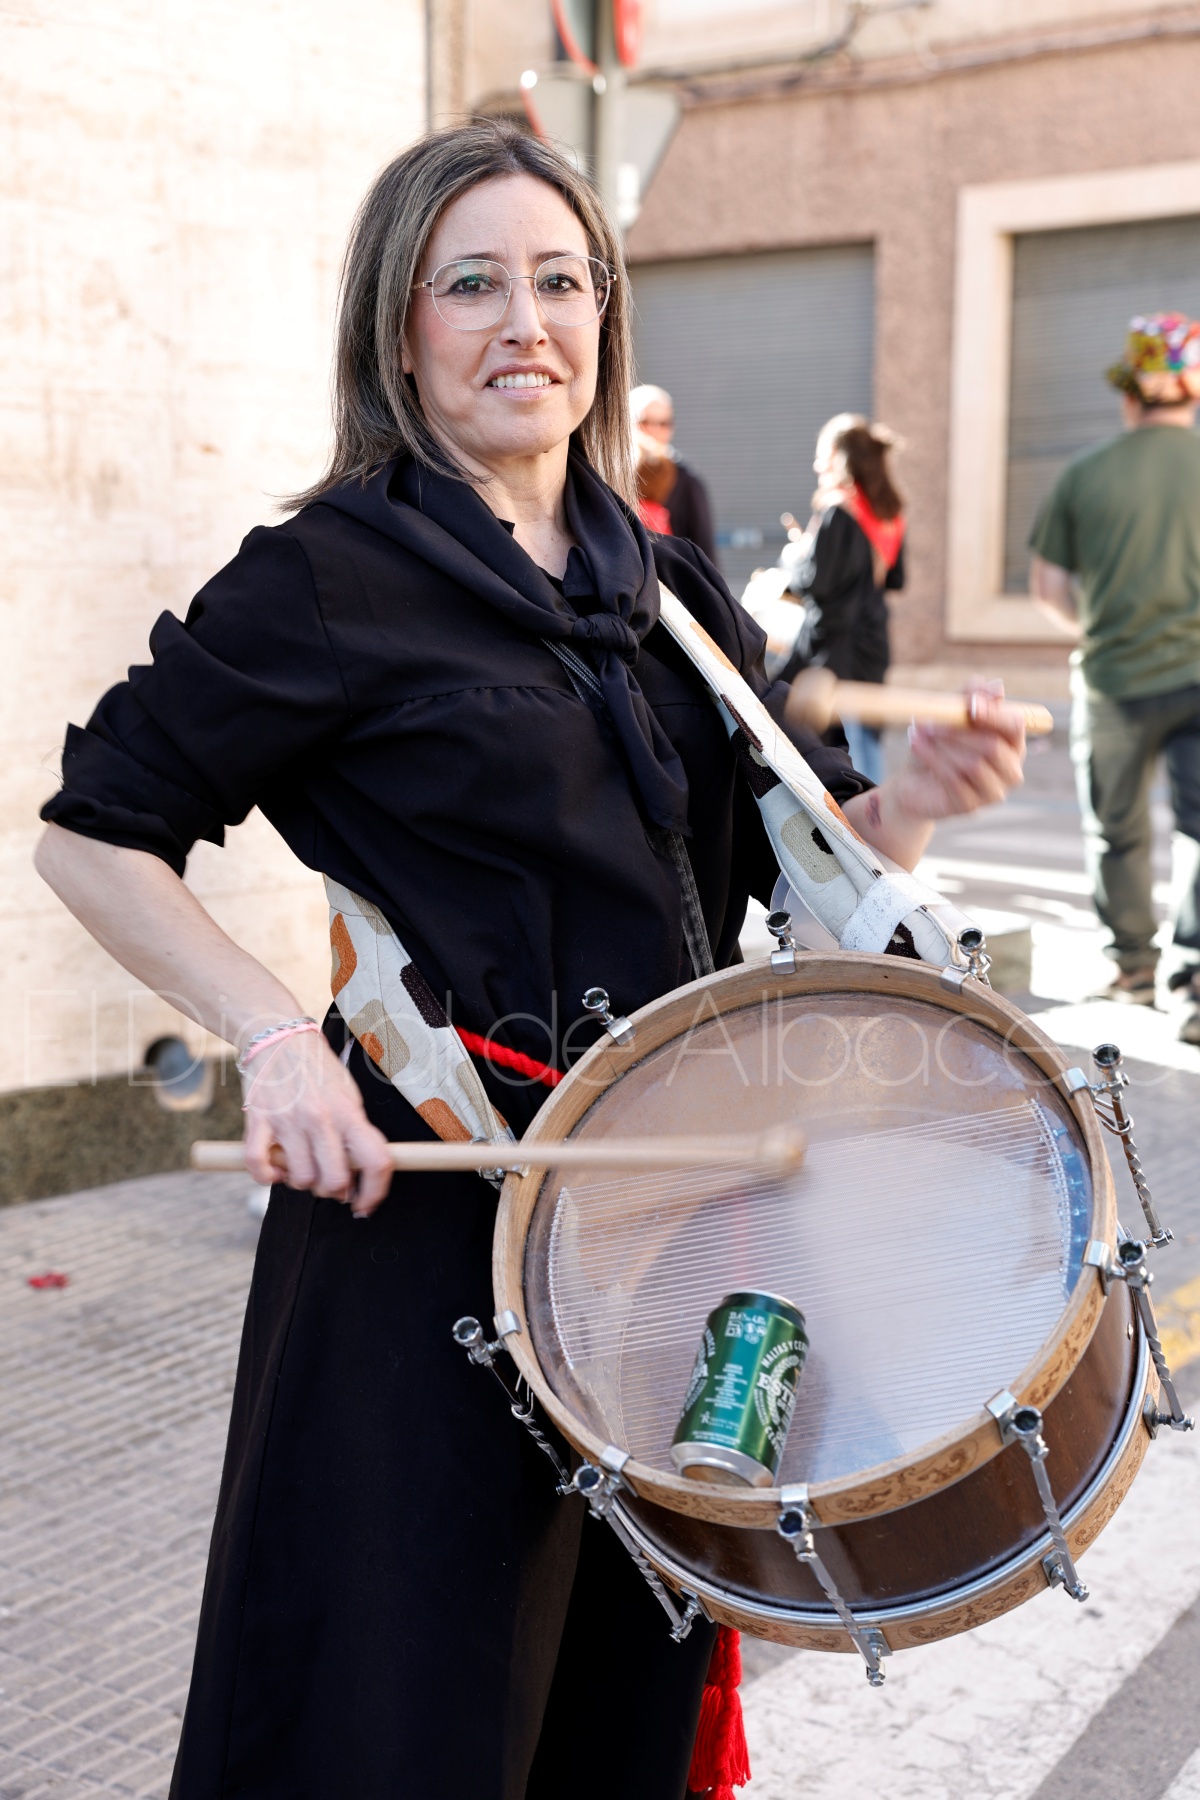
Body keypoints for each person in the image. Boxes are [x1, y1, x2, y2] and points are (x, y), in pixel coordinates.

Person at [34, 121, 1025, 1799]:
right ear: (398, 326)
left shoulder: (669, 587)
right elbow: (91, 835)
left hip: (661, 1239)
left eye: (560, 281)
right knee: (397, 1717)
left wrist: (913, 802)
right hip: (429, 1223)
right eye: (472, 284)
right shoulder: (325, 578)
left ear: (605, 315)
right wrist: (273, 1042)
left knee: (614, 1713)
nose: (526, 324)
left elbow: (807, 863)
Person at [1030, 311, 1200, 1042]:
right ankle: (1194, 982)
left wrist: (1099, 626)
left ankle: (1133, 968)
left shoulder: (1084, 474)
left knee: (1115, 830)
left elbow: (1047, 588)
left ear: (1130, 395)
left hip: (1111, 681)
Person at [779, 413, 906, 785]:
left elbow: (817, 582)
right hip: (871, 642)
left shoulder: (839, 510)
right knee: (864, 739)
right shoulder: (888, 513)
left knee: (830, 746)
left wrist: (795, 557)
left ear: (838, 457)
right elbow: (896, 579)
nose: (817, 465)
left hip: (831, 647)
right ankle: (871, 813)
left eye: (822, 455)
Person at [630, 383, 717, 562]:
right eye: (644, 422)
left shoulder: (687, 481)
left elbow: (705, 552)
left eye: (664, 424)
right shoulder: (606, 475)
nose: (654, 430)